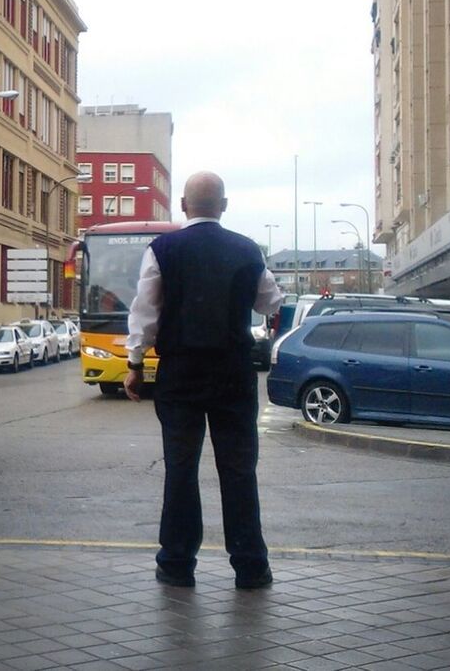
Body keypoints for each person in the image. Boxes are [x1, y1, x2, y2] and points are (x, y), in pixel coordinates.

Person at [124, 171, 283, 590]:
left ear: (182, 205)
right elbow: (270, 302)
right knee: (238, 471)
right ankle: (251, 566)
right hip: (233, 374)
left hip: (180, 374)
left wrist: (135, 363)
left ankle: (176, 563)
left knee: (181, 468)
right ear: (225, 206)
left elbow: (145, 310)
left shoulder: (162, 249)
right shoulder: (248, 250)